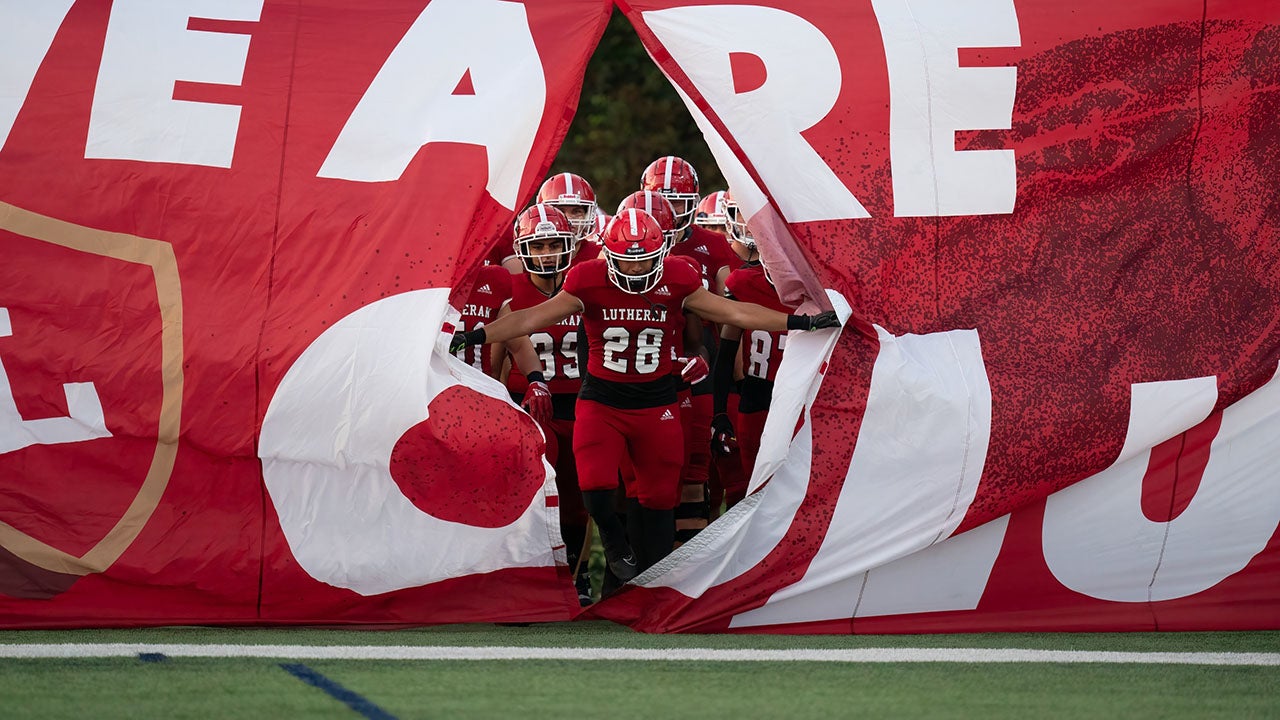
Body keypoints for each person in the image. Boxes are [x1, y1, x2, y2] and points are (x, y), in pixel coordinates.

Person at [452, 209, 840, 580]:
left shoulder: (678, 278)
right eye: (627, 261)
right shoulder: (587, 279)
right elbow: (530, 318)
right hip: (603, 400)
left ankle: (648, 584)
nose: (637, 270)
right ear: (608, 256)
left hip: (657, 403)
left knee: (659, 502)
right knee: (595, 488)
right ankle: (614, 542)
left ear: (662, 254)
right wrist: (476, 335)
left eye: (645, 261)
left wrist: (799, 322)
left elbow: (734, 313)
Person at [493, 202, 594, 605]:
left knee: (577, 499)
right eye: (539, 245)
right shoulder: (511, 293)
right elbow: (498, 361)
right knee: (531, 495)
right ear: (522, 249)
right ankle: (530, 577)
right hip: (528, 406)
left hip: (581, 403)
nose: (548, 253)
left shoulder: (585, 285)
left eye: (554, 244)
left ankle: (578, 577)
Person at [642, 158, 740, 541]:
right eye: (661, 199)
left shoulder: (712, 244)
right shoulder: (624, 240)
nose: (669, 210)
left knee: (698, 472)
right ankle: (642, 561)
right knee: (644, 477)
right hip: (640, 364)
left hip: (698, 360)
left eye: (678, 201)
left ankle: (689, 560)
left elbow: (730, 303)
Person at [711, 192, 793, 505]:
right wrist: (720, 412)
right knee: (752, 493)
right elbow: (725, 354)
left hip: (799, 398)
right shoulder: (743, 282)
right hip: (755, 397)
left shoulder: (818, 289)